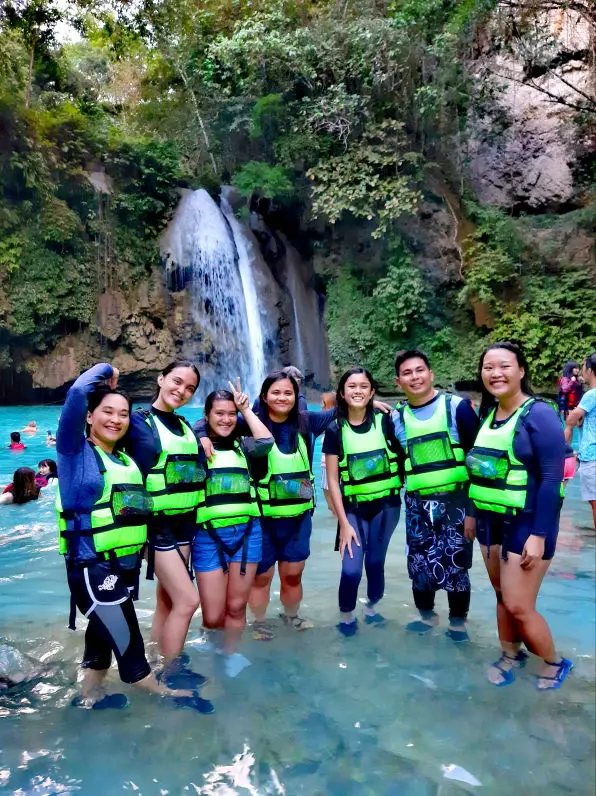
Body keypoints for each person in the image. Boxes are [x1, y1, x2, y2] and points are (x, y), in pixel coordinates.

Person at [55, 362, 212, 711]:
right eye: (106, 412)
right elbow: (78, 393)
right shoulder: (74, 456)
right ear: (89, 418)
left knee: (99, 643)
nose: (116, 419)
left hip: (122, 566)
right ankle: (164, 695)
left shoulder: (124, 458)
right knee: (129, 645)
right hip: (92, 568)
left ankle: (89, 698)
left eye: (123, 414)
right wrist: (107, 372)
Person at [196, 370, 337, 639]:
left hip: (298, 517)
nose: (282, 397)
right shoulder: (248, 423)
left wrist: (370, 403)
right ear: (264, 396)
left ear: (297, 397)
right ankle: (259, 622)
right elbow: (211, 421)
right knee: (261, 577)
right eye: (276, 392)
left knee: (293, 574)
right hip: (262, 518)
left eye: (288, 393)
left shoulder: (307, 422)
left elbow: (341, 412)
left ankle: (291, 616)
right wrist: (202, 434)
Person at [467, 342, 571, 689]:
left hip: (526, 523)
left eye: (504, 366)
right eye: (488, 368)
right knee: (501, 596)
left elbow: (553, 479)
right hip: (488, 520)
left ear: (521, 371)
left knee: (518, 604)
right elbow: (479, 470)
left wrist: (539, 535)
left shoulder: (538, 414)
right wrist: (470, 514)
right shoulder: (488, 414)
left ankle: (555, 662)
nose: (496, 374)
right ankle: (511, 653)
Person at [124, 360, 205, 673]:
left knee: (169, 599)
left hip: (184, 521)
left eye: (189, 388)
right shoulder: (135, 421)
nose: (181, 390)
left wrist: (204, 440)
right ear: (160, 379)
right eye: (176, 381)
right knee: (188, 600)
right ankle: (172, 672)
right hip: (153, 523)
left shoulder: (186, 425)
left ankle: (157, 657)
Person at [392, 350, 479, 642]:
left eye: (419, 371)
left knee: (457, 563)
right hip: (417, 503)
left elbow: (477, 463)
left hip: (456, 500)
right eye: (407, 373)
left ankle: (457, 623)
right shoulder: (395, 419)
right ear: (398, 381)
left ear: (431, 374)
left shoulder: (458, 409)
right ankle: (427, 617)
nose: (414, 377)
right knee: (419, 564)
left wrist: (472, 512)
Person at [193, 381, 273, 676]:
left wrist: (245, 410)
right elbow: (187, 427)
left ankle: (229, 655)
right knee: (213, 615)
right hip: (207, 536)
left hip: (247, 534)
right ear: (207, 415)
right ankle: (212, 641)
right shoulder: (197, 445)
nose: (226, 419)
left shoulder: (245, 446)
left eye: (231, 414)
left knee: (237, 607)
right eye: (219, 414)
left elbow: (267, 442)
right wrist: (201, 433)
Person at [323, 368, 403, 636]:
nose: (357, 391)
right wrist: (343, 522)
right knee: (351, 570)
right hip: (353, 509)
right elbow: (333, 480)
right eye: (351, 386)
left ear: (371, 392)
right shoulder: (335, 430)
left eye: (363, 386)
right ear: (343, 394)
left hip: (387, 506)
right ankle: (346, 615)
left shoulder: (387, 422)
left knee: (375, 563)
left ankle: (371, 608)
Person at [565, 352, 596, 529]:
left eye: (584, 367)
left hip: (592, 456)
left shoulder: (591, 395)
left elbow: (571, 418)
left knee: (594, 503)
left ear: (590, 370)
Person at [320, 391, 337, 515]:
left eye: (323, 403)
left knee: (334, 506)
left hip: (330, 468)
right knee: (332, 506)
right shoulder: (327, 423)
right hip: (326, 467)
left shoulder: (335, 425)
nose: (321, 406)